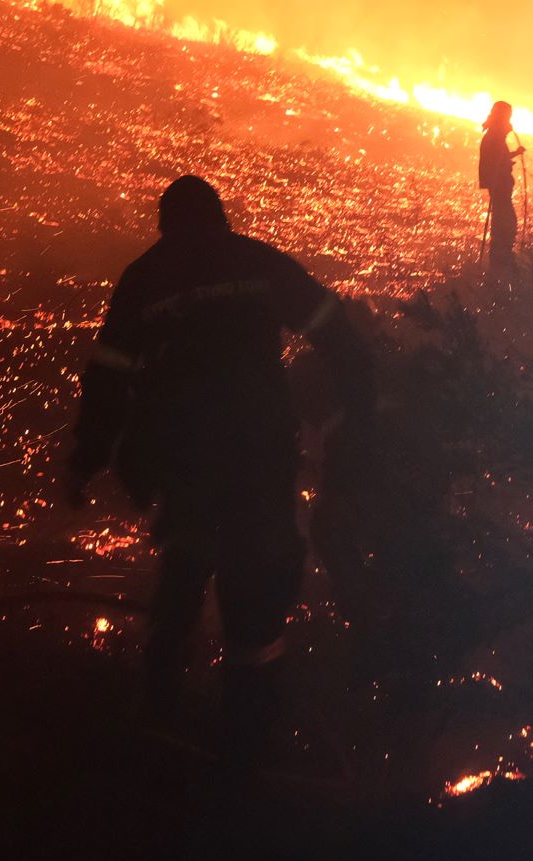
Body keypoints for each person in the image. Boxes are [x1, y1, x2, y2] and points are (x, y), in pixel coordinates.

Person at [64, 174, 372, 773]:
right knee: (256, 589)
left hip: (184, 462)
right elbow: (335, 331)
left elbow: (108, 379)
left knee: (183, 574)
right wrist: (358, 411)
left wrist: (87, 459)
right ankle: (248, 736)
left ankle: (158, 713)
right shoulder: (256, 263)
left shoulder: (145, 278)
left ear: (165, 224)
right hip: (258, 457)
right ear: (220, 217)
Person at [478, 100, 525, 277]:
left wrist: (514, 154)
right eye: (508, 116)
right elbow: (496, 160)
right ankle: (500, 265)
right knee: (505, 224)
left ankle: (500, 262)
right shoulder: (495, 136)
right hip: (500, 187)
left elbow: (499, 157)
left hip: (500, 186)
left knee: (505, 223)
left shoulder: (494, 135)